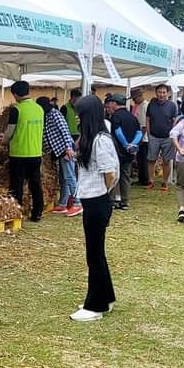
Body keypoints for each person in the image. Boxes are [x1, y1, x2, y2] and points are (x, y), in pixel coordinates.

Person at [70, 95, 118, 322]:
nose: (77, 119)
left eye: (80, 115)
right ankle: (105, 297)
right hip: (91, 200)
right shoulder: (91, 139)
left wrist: (103, 194)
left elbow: (110, 173)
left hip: (98, 201)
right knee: (96, 253)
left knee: (94, 255)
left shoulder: (101, 140)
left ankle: (95, 306)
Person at [1, 81, 45, 222]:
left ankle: (17, 213)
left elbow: (10, 132)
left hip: (18, 154)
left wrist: (3, 140)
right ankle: (37, 213)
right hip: (36, 153)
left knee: (17, 185)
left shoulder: (16, 109)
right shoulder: (39, 109)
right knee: (35, 184)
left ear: (15, 94)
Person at [39, 97, 80, 217]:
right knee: (63, 178)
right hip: (58, 151)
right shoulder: (46, 116)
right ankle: (63, 204)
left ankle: (78, 203)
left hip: (65, 150)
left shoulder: (55, 114)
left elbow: (65, 131)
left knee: (70, 177)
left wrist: (68, 148)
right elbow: (47, 136)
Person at [106, 94, 141, 211]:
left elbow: (118, 131)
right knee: (125, 175)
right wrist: (133, 144)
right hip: (129, 152)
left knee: (115, 174)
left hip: (117, 150)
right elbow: (139, 132)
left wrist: (125, 145)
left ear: (115, 104)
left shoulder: (115, 117)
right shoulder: (133, 117)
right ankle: (125, 201)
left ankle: (114, 199)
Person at [145, 84, 178, 191]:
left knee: (167, 161)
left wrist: (172, 134)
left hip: (167, 137)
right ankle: (151, 180)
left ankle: (164, 182)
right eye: (159, 92)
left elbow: (174, 121)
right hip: (154, 136)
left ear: (167, 94)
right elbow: (148, 118)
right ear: (156, 93)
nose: (161, 94)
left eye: (164, 92)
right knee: (151, 159)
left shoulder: (172, 105)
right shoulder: (152, 104)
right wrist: (149, 133)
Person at [130, 87, 150, 187]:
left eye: (135, 98)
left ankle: (145, 179)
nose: (134, 100)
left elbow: (144, 125)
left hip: (143, 137)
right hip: (139, 135)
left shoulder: (144, 107)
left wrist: (140, 139)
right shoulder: (140, 106)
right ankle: (141, 177)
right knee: (140, 159)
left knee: (143, 159)